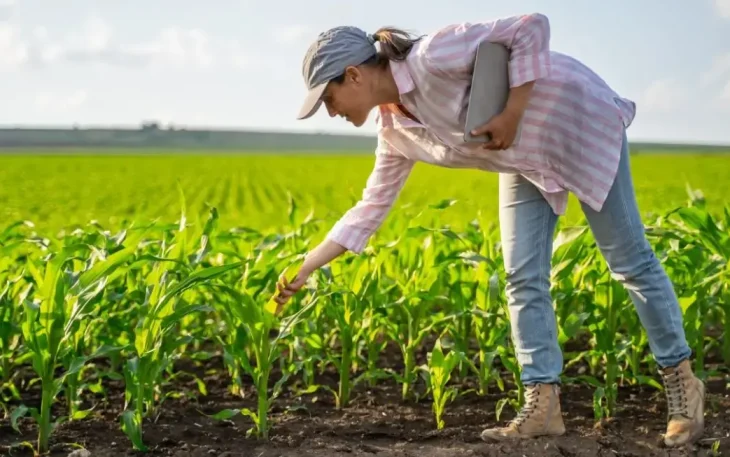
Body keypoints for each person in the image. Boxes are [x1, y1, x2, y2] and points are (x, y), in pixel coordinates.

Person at [274, 13, 705, 447]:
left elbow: (530, 26)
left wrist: (514, 111)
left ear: (353, 75)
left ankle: (683, 386)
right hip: (524, 158)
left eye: (328, 98)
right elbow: (369, 208)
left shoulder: (431, 56)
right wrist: (308, 266)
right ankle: (543, 406)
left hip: (575, 122)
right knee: (521, 276)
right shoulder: (395, 131)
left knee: (628, 260)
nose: (330, 111)